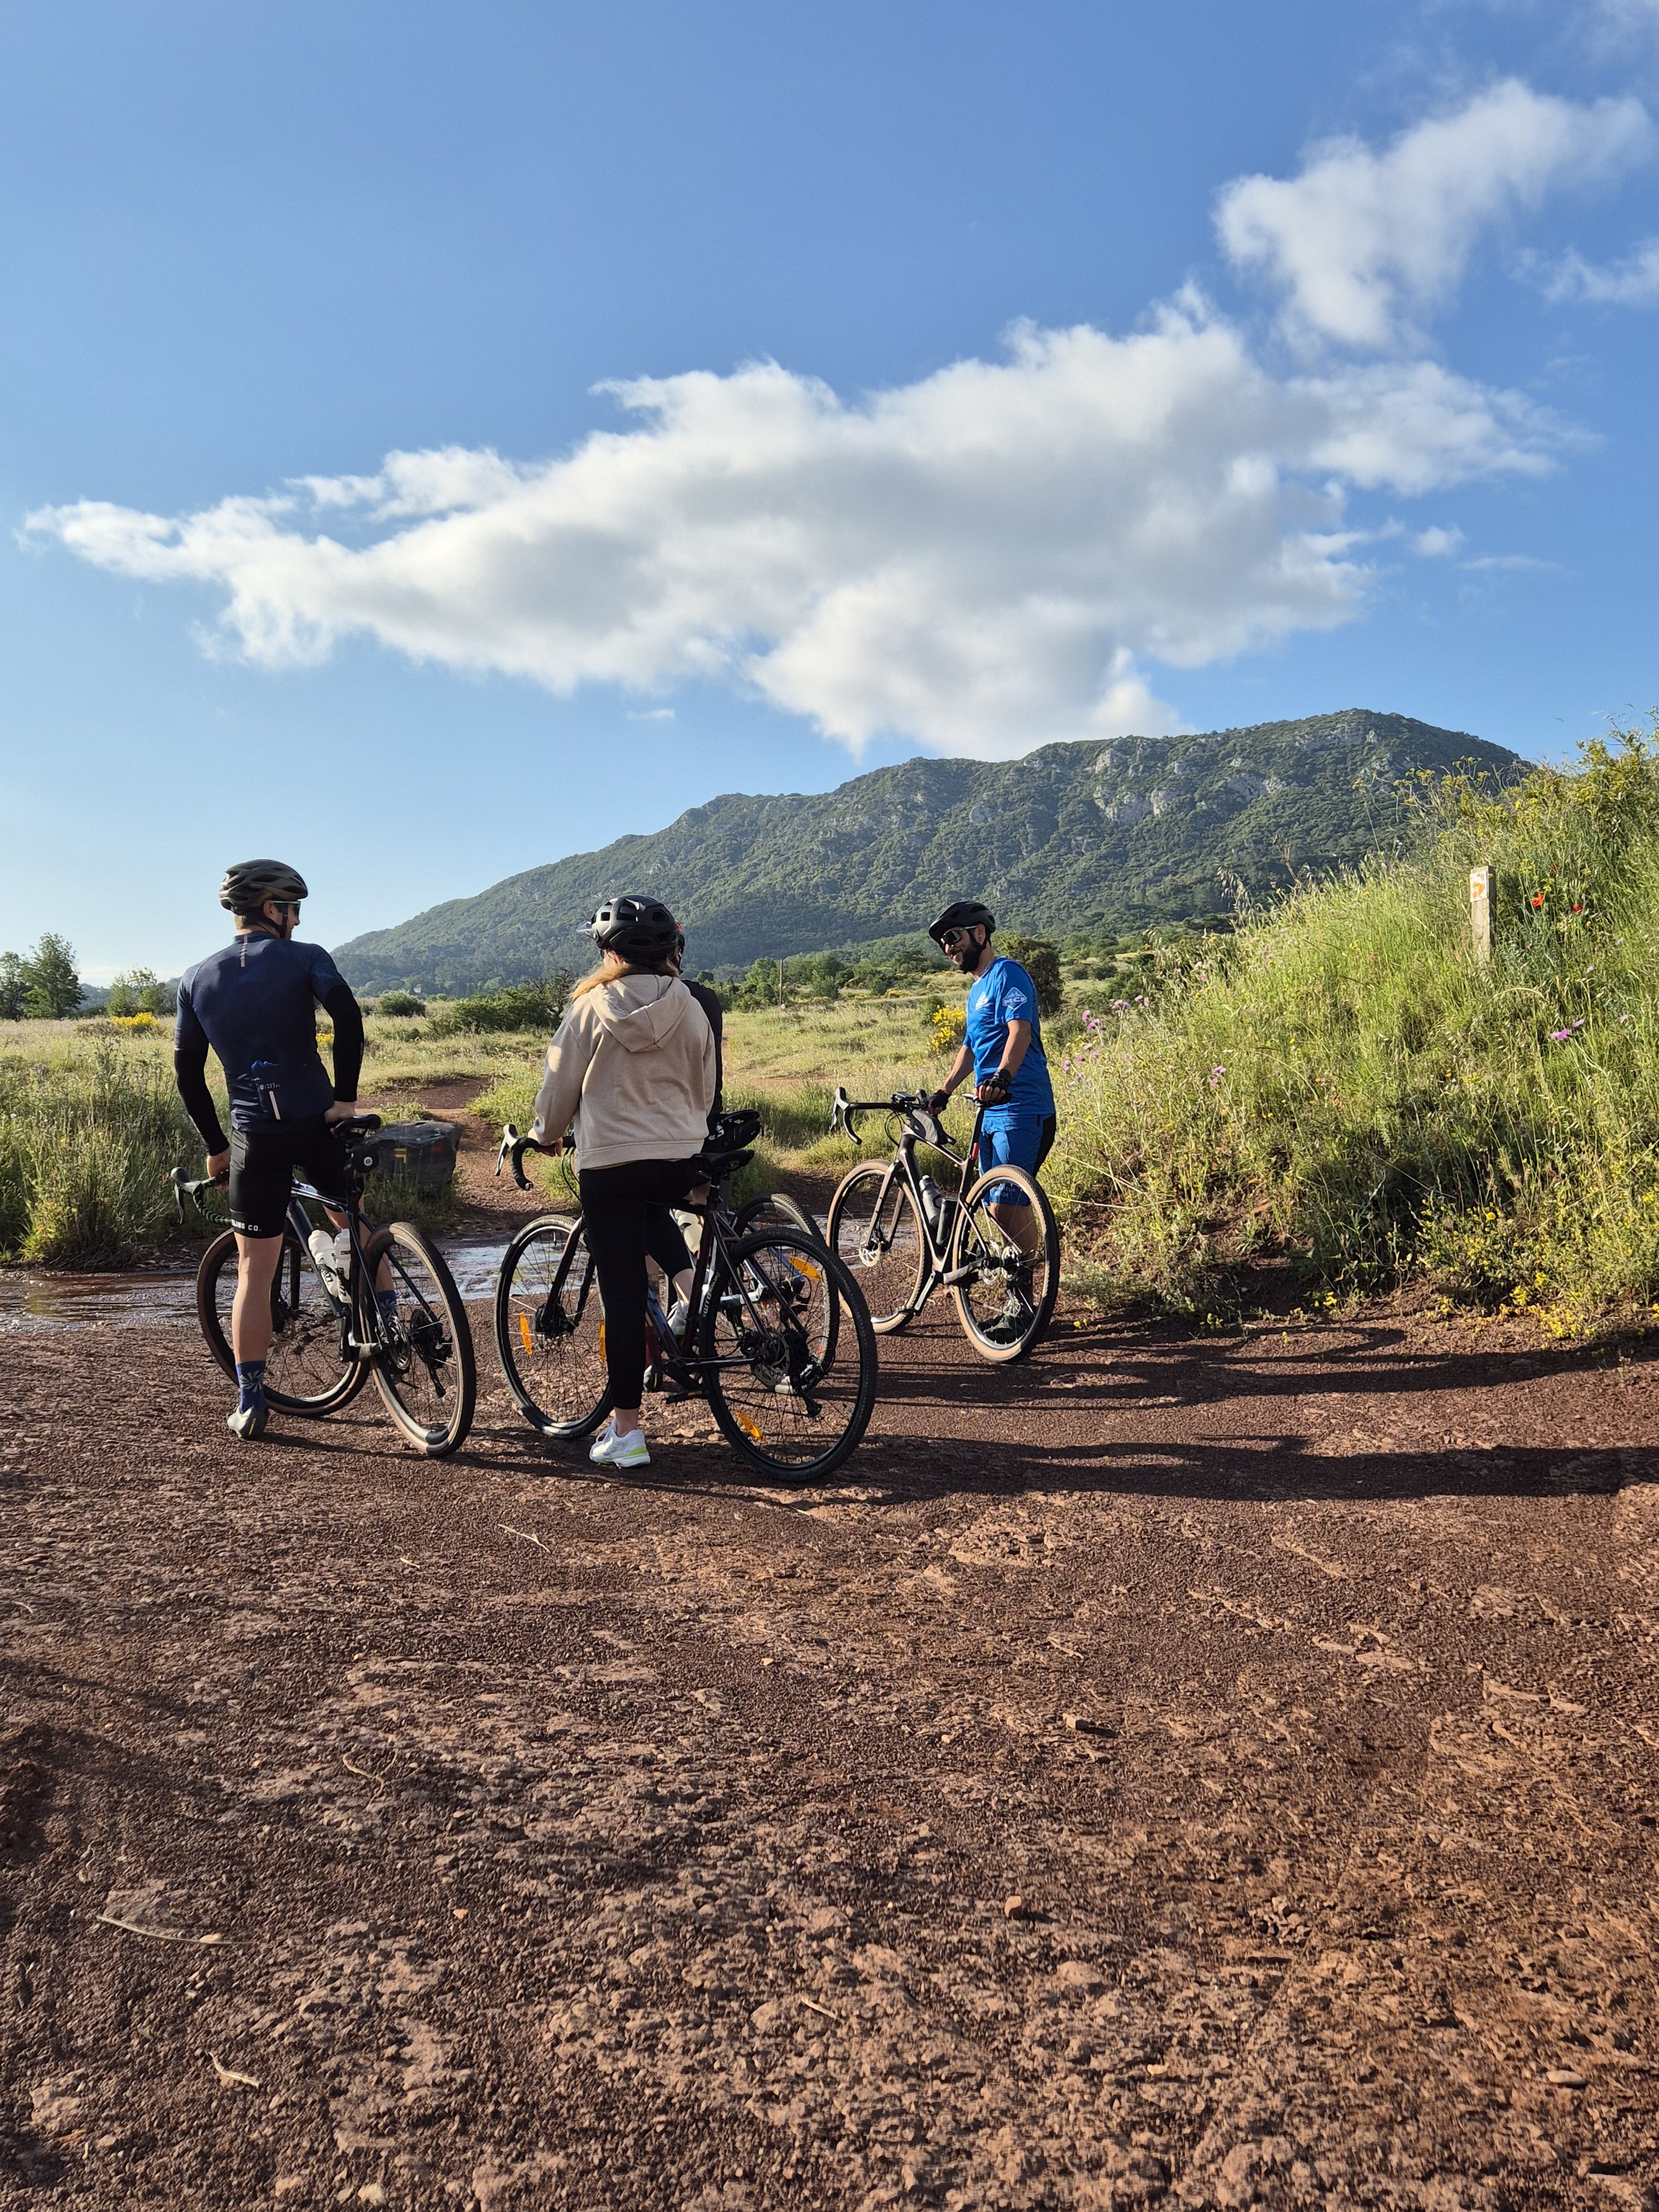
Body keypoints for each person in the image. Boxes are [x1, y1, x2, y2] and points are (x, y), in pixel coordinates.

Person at [173, 861, 380, 1441]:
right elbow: (347, 1014)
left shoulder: (195, 978)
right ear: (273, 909)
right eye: (293, 909)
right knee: (357, 1224)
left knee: (253, 1272)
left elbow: (188, 1075)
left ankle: (250, 1400)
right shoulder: (307, 955)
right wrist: (343, 1099)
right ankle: (390, 1325)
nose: (297, 919)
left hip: (254, 1136)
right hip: (316, 1121)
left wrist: (216, 1147)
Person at [530, 895, 716, 1469]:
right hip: (679, 1158)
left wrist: (545, 1133)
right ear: (666, 952)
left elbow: (559, 1088)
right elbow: (704, 1087)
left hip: (611, 1163)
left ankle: (627, 1432)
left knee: (622, 1292)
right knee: (655, 1215)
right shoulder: (690, 1004)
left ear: (608, 952)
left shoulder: (589, 1008)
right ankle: (699, 1296)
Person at [923, 899, 1056, 1269]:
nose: (949, 947)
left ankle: (1030, 1299)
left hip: (1022, 1106)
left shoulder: (1007, 974)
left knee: (1005, 1204)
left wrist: (1003, 1075)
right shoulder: (976, 990)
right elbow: (971, 1047)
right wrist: (945, 1091)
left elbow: (1020, 1032)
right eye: (943, 943)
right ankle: (1029, 1283)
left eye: (954, 937)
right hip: (991, 1110)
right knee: (992, 1203)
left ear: (979, 934)